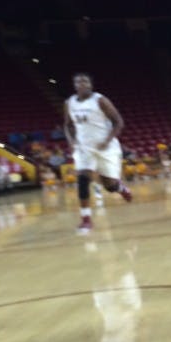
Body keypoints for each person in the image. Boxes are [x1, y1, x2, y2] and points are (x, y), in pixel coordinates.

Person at [64, 73, 133, 235]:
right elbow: (68, 125)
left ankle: (120, 188)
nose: (81, 84)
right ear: (74, 85)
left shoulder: (100, 100)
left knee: (110, 186)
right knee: (82, 178)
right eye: (78, 81)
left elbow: (118, 122)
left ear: (90, 84)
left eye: (85, 81)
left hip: (105, 147)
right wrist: (71, 142)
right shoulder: (69, 103)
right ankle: (86, 220)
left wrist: (107, 140)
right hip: (84, 148)